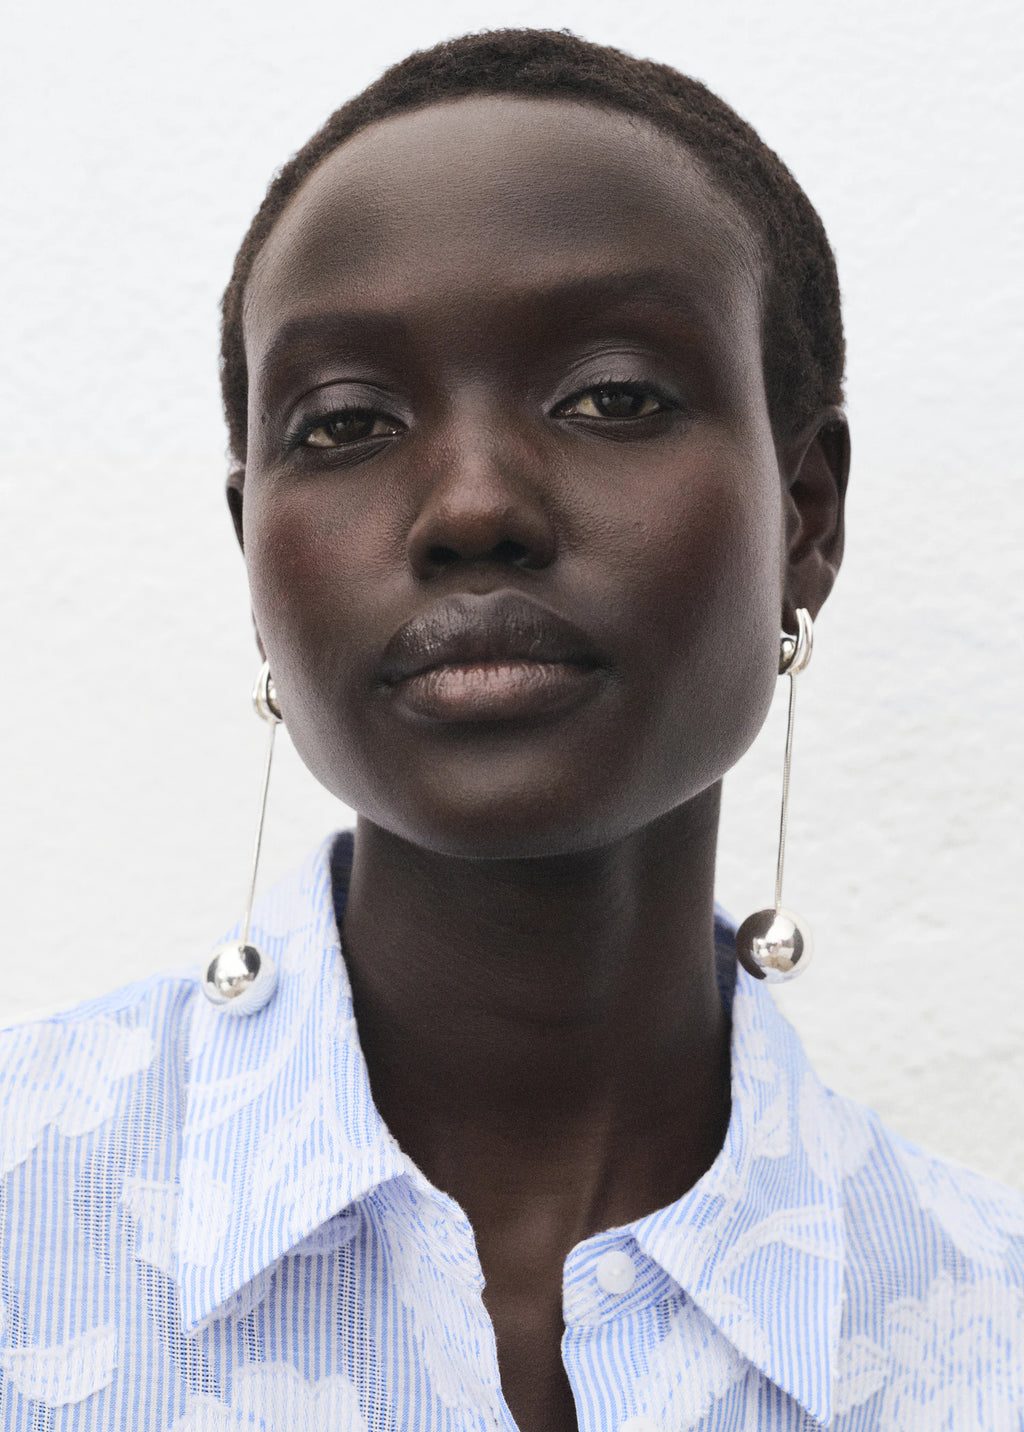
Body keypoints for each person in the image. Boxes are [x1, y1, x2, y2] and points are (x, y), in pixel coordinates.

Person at [1, 27, 1021, 1432]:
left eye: (614, 397)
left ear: (807, 513)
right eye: (347, 423)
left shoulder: (989, 1338)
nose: (473, 505)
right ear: (255, 557)